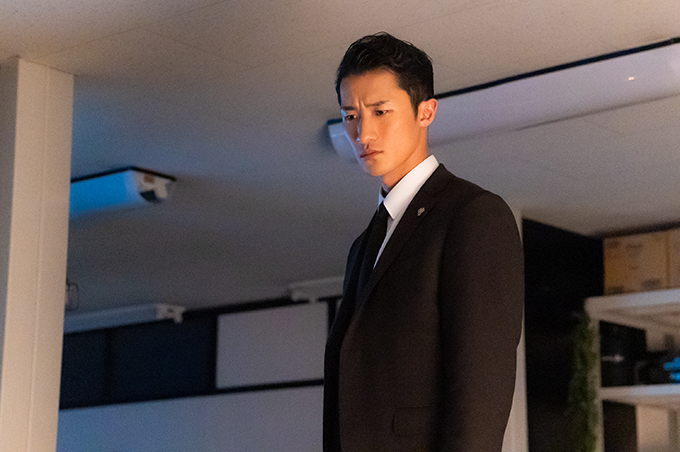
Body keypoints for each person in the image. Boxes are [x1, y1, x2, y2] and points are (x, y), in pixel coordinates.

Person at [323, 32, 525, 451]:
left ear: (426, 111)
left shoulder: (472, 215)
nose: (362, 133)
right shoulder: (364, 245)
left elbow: (481, 389)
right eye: (350, 116)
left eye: (380, 112)